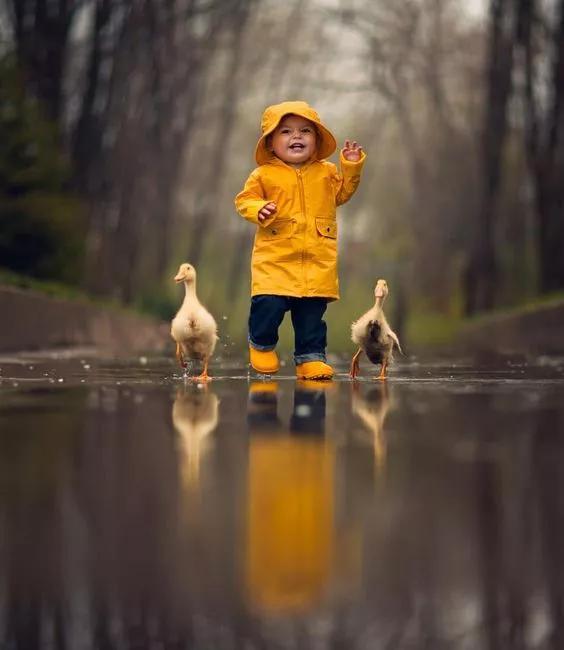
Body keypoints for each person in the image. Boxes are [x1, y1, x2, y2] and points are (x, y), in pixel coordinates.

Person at [235, 100, 366, 380]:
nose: (296, 136)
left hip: (317, 262)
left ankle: (310, 359)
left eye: (305, 131)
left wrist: (351, 168)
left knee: (311, 317)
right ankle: (261, 344)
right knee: (268, 306)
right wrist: (259, 209)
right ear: (270, 143)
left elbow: (342, 194)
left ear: (316, 140)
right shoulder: (263, 174)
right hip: (275, 261)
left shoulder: (326, 172)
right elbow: (245, 200)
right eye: (286, 132)